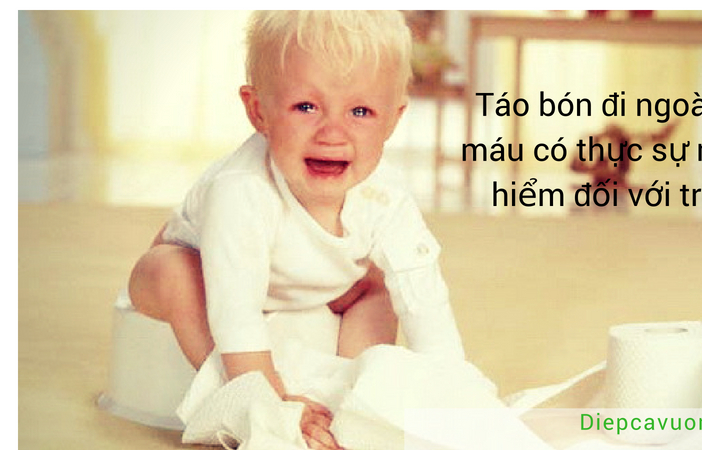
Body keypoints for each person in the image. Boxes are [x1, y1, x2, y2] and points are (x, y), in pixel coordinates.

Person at [126, 11, 465, 450]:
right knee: (172, 270)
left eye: (361, 111)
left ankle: (355, 393)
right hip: (209, 279)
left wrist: (454, 394)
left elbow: (423, 298)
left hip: (305, 284)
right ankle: (239, 399)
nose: (332, 133)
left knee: (379, 284)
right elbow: (234, 313)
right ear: (259, 112)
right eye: (306, 107)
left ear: (393, 119)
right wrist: (272, 403)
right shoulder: (242, 190)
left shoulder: (387, 197)